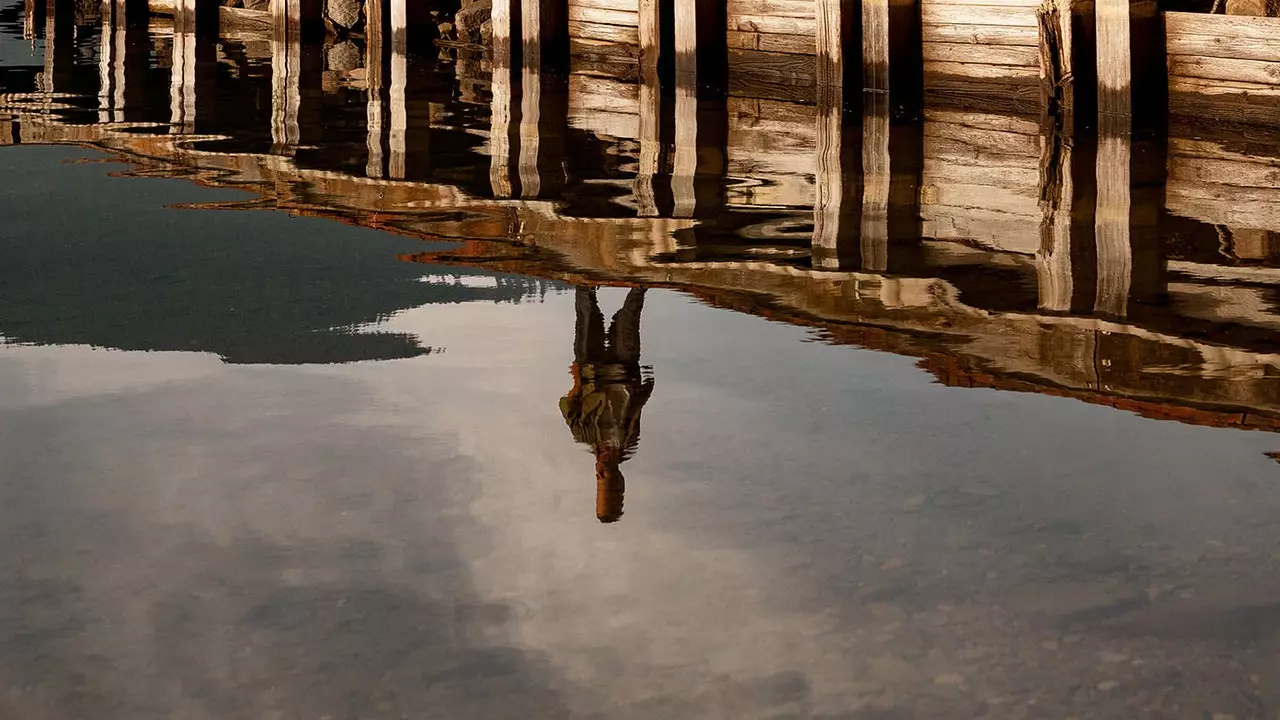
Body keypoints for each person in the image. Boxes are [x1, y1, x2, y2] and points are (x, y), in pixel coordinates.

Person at [559, 286, 654, 523]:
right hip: (625, 368)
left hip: (590, 368)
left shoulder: (583, 433)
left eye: (598, 476)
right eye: (604, 475)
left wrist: (577, 376)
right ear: (616, 474)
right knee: (634, 303)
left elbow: (569, 403)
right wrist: (645, 390)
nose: (598, 471)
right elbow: (635, 409)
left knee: (585, 302)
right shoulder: (629, 440)